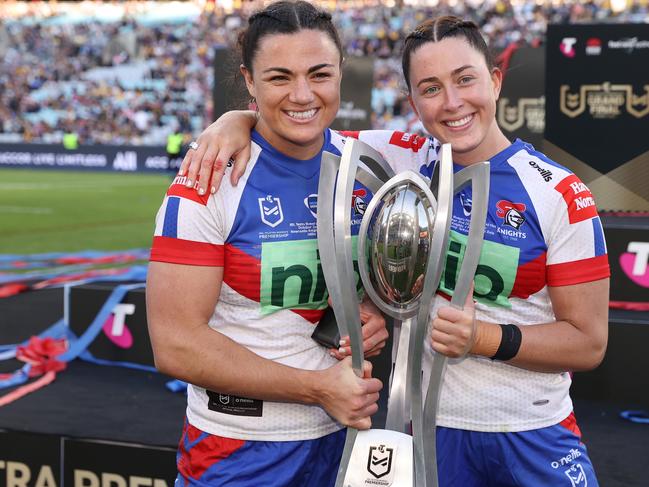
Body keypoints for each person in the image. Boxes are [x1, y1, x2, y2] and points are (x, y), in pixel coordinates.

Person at [181, 14, 611, 487]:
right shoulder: (401, 159)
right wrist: (234, 121)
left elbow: (587, 342)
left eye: (465, 80)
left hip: (532, 432)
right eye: (430, 88)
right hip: (425, 433)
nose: (452, 103)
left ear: (494, 80)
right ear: (413, 102)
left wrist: (485, 338)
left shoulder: (559, 193)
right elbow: (297, 126)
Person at [146, 3, 388, 486]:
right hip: (237, 449)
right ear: (249, 81)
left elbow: (461, 142)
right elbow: (175, 345)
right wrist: (318, 389)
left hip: (343, 440)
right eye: (279, 77)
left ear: (341, 72)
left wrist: (375, 308)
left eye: (319, 74)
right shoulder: (207, 180)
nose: (303, 94)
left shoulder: (373, 162)